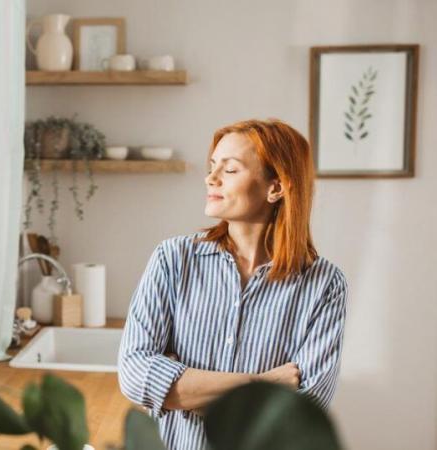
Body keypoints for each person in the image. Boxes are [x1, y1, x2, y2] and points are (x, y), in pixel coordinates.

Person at [117, 119, 348, 449]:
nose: (211, 179)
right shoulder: (173, 260)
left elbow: (300, 413)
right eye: (212, 167)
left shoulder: (324, 285)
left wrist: (181, 390)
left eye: (231, 169)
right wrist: (265, 383)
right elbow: (136, 376)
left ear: (276, 187)